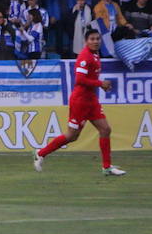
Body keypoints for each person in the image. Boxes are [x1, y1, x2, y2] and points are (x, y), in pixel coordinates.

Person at [33, 29, 125, 177]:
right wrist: (100, 83)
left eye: (97, 39)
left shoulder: (95, 54)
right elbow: (80, 80)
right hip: (80, 102)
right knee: (72, 136)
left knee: (105, 129)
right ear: (86, 41)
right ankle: (41, 153)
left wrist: (100, 85)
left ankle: (106, 167)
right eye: (92, 39)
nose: (95, 41)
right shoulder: (85, 56)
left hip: (91, 101)